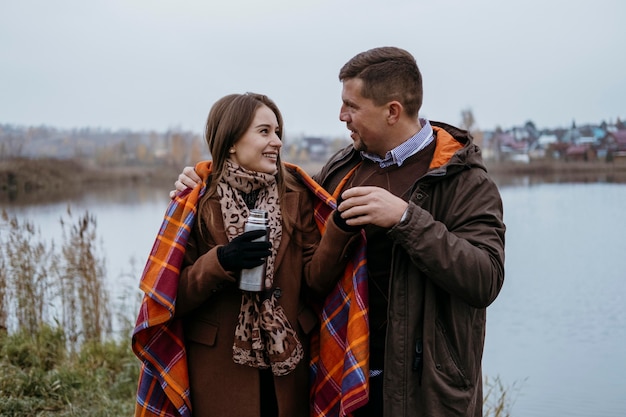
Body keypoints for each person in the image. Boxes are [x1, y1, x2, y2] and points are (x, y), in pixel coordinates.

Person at [172, 47, 506, 417]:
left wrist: (405, 220)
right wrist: (204, 175)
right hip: (346, 375)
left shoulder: (465, 180)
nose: (341, 116)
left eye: (352, 106)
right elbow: (279, 205)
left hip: (422, 386)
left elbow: (485, 279)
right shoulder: (340, 169)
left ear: (392, 111)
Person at [132, 92, 363, 417]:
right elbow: (170, 298)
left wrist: (339, 228)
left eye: (278, 132)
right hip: (218, 369)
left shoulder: (296, 196)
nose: (278, 142)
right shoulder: (195, 203)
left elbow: (315, 282)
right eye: (265, 131)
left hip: (288, 367)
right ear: (230, 141)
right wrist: (221, 261)